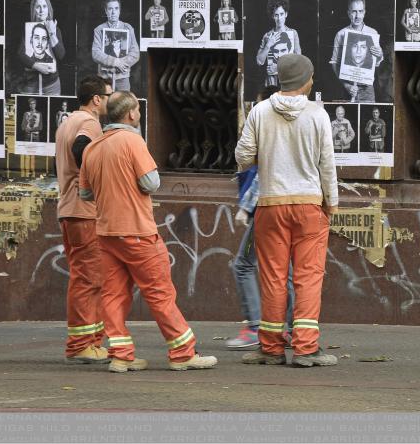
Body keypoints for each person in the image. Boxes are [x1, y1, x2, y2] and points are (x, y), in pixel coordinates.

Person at [79, 91, 217, 373]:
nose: (139, 116)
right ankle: (182, 352)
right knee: (159, 292)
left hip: (106, 232)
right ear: (131, 113)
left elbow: (85, 193)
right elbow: (151, 183)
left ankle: (121, 355)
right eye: (138, 112)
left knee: (113, 295)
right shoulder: (132, 140)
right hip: (138, 232)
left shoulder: (93, 148)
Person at [235, 53, 339, 368]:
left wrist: (266, 155)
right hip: (309, 205)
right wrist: (331, 202)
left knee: (273, 278)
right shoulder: (317, 115)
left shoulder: (260, 112)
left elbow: (243, 157)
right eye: (311, 76)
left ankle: (271, 348)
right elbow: (327, 164)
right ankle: (306, 349)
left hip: (271, 205)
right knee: (308, 277)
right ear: (304, 80)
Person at [227, 85, 296, 350]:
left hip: (265, 211)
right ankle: (289, 329)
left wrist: (246, 208)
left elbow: (261, 173)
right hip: (294, 207)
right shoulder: (296, 126)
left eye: (257, 104)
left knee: (243, 264)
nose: (255, 110)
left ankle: (255, 326)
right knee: (287, 271)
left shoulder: (265, 127)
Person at [55, 76, 113, 364]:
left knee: (85, 277)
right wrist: (96, 178)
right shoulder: (89, 123)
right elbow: (82, 150)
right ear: (97, 99)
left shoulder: (68, 120)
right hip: (83, 210)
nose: (111, 101)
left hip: (69, 210)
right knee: (89, 279)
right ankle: (81, 344)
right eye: (108, 95)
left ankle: (88, 341)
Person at [330, 0, 384, 102]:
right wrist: (346, 86)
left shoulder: (372, 33)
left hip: (367, 89)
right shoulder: (341, 34)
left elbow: (377, 63)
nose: (357, 16)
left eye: (360, 11)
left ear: (364, 12)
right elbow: (334, 63)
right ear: (348, 13)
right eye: (354, 11)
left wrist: (380, 54)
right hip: (347, 88)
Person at [17, 0, 65, 95]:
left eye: (44, 6)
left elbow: (61, 55)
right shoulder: (28, 29)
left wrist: (52, 32)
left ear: (48, 9)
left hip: (52, 84)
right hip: (31, 84)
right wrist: (36, 66)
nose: (41, 10)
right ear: (33, 9)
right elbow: (21, 53)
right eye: (38, 6)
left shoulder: (56, 29)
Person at [92, 0, 140, 91]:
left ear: (119, 10)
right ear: (106, 11)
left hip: (122, 78)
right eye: (110, 9)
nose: (113, 12)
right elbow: (95, 53)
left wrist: (121, 64)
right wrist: (115, 62)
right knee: (104, 105)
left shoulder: (128, 28)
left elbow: (135, 53)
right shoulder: (99, 30)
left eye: (116, 8)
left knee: (123, 105)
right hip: (104, 78)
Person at [256, 0, 302, 89]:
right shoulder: (267, 36)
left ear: (286, 14)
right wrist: (268, 45)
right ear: (273, 16)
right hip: (271, 82)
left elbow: (298, 60)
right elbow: (259, 61)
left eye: (281, 14)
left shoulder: (293, 34)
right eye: (276, 15)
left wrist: (277, 68)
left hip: (289, 80)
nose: (279, 18)